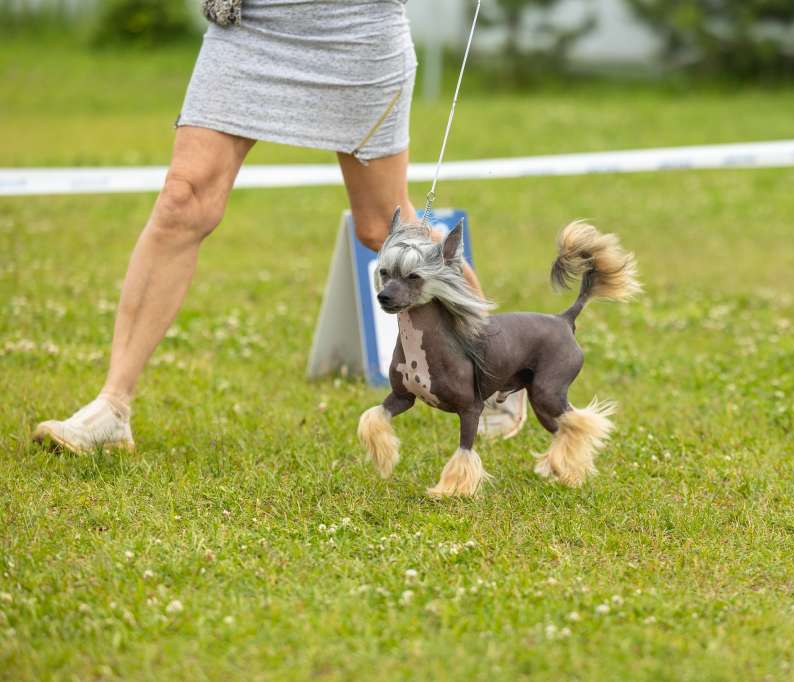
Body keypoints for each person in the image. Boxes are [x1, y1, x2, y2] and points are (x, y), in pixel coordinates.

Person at [32, 0, 526, 454]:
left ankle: (495, 371)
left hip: (356, 30)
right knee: (183, 200)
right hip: (251, 25)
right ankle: (113, 406)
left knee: (383, 229)